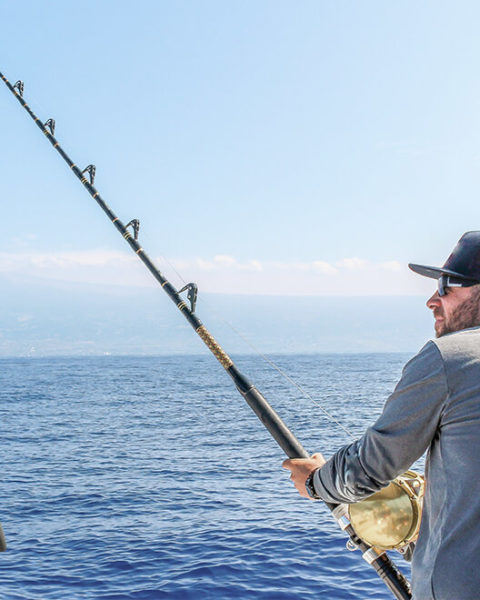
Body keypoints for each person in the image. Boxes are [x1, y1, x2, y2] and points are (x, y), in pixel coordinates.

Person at [283, 231, 480, 600]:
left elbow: (366, 471)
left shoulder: (449, 357)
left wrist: (314, 482)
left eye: (446, 285)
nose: (432, 300)